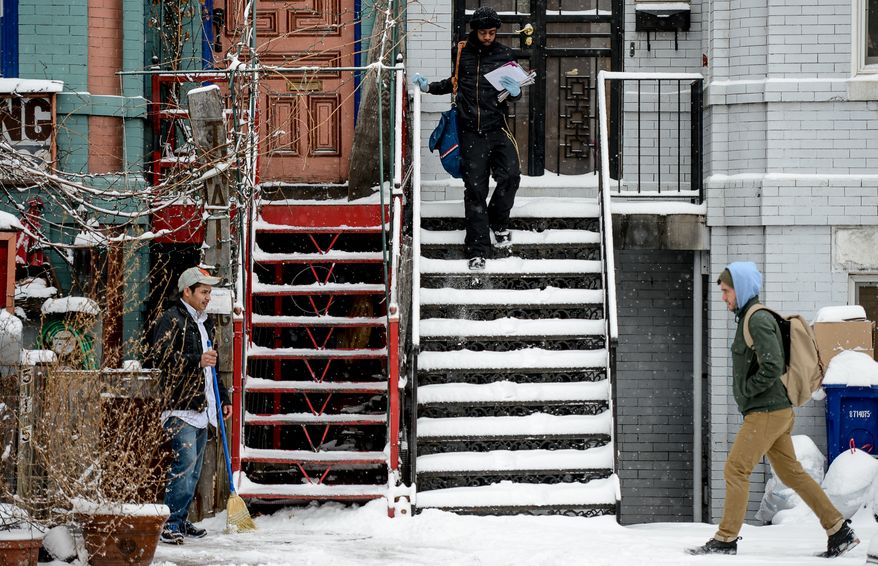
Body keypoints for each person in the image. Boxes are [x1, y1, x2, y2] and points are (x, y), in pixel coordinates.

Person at [688, 261, 859, 557]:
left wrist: (746, 390)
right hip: (773, 411)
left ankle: (726, 539)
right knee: (792, 473)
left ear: (739, 289)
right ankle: (838, 529)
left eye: (727, 291)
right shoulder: (747, 319)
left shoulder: (757, 319)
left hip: (766, 411)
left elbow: (773, 364)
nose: (723, 297)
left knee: (736, 469)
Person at [412, 6, 522, 271]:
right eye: (484, 32)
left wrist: (515, 92)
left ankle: (498, 221)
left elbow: (515, 91)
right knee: (475, 191)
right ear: (475, 31)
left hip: (498, 128)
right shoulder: (463, 52)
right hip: (470, 131)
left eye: (492, 33)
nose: (488, 37)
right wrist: (428, 87)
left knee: (510, 176)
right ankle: (477, 250)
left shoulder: (505, 54)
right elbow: (454, 82)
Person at [152, 266, 232, 544]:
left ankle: (180, 520)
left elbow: (213, 366)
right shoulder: (171, 319)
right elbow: (160, 359)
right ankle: (168, 524)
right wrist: (195, 359)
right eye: (204, 292)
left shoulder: (205, 322)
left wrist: (223, 399)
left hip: (202, 406)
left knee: (193, 472)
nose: (208, 297)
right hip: (180, 406)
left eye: (210, 292)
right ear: (187, 291)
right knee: (183, 469)